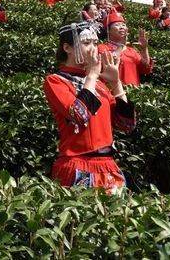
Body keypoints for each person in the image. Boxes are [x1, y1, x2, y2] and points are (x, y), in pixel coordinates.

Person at [43, 21, 135, 193]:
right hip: (77, 164)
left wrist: (116, 84)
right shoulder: (56, 81)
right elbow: (79, 114)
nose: (93, 48)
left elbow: (126, 124)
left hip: (108, 167)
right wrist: (92, 75)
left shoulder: (98, 84)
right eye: (86, 43)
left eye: (95, 43)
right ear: (67, 48)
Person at [97, 13, 152, 87]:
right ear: (108, 30)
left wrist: (144, 49)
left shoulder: (131, 50)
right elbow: (108, 63)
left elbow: (145, 70)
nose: (122, 27)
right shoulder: (102, 47)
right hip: (113, 92)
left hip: (133, 92)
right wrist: (120, 46)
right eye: (117, 25)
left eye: (123, 25)